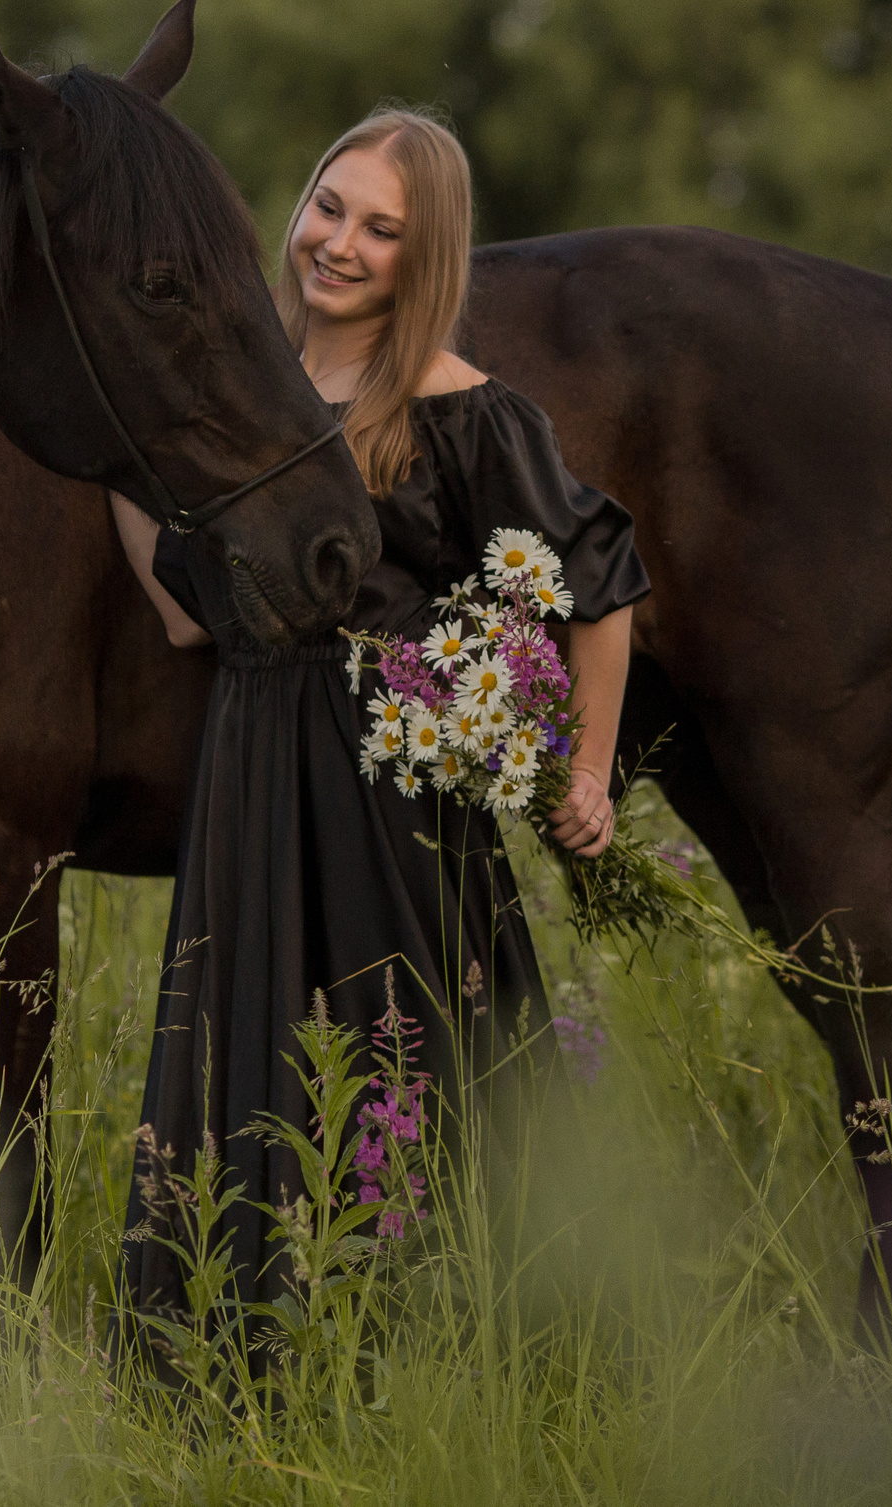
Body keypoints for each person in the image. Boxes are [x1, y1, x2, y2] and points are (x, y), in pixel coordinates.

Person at [110, 107, 650, 1349]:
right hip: (251, 761)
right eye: (328, 207)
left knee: (410, 1053)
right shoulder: (244, 397)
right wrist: (127, 466)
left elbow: (600, 584)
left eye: (381, 228)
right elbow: (187, 619)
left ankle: (443, 1347)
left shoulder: (459, 409)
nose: (339, 243)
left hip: (391, 782)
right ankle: (248, 1345)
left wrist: (586, 769)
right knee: (248, 1049)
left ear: (425, 256)